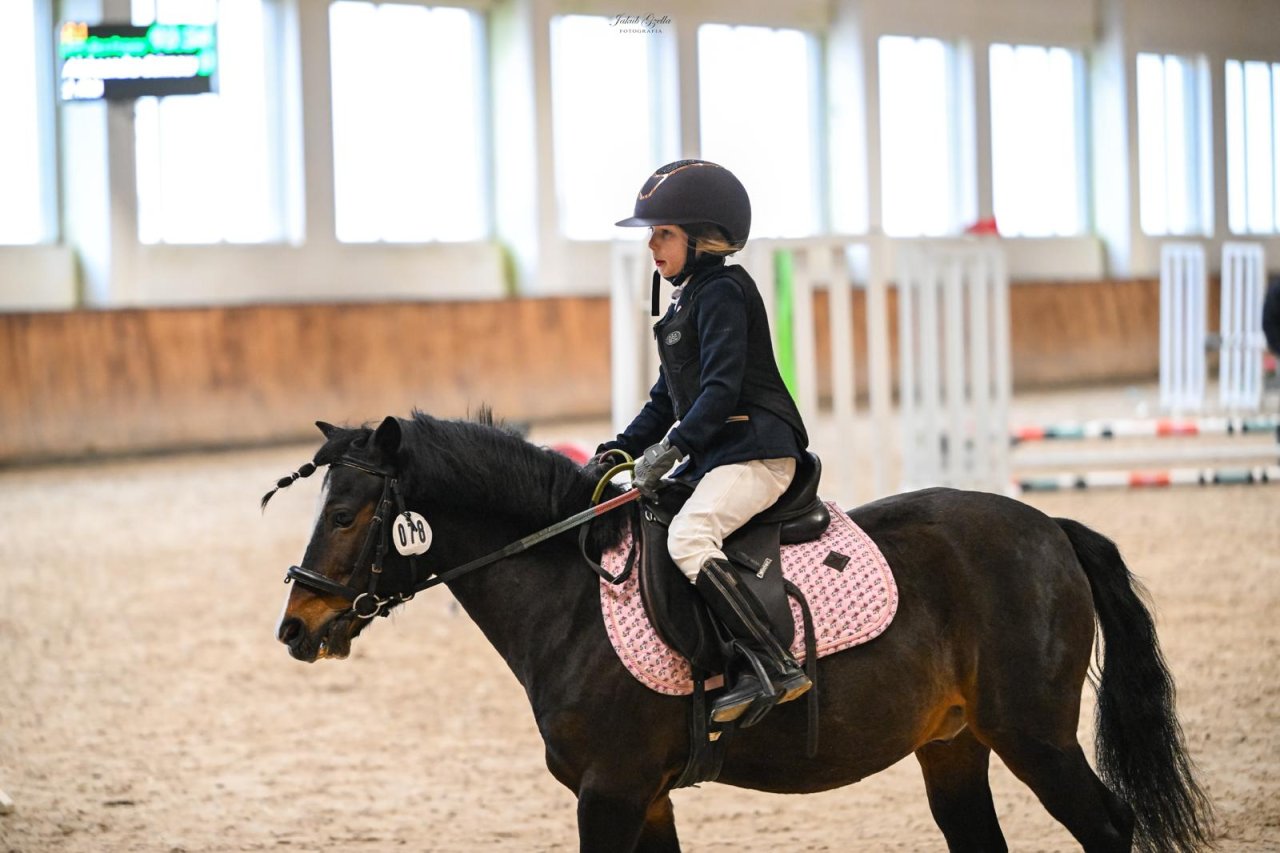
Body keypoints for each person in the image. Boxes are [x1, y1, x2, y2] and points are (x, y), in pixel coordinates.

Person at [593, 159, 812, 725]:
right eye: (651, 235)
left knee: (689, 538)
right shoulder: (686, 302)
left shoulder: (726, 292)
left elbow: (720, 390)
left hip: (757, 452)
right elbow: (665, 399)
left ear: (701, 238)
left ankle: (771, 661)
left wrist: (670, 451)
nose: (652, 247)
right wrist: (618, 449)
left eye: (663, 234)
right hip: (719, 456)